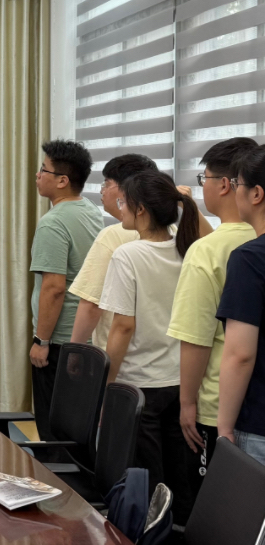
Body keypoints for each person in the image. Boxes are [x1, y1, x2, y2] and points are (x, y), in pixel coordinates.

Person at [98, 170, 201, 522]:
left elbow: (122, 326)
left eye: (123, 202)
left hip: (140, 384)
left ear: (141, 209)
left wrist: (105, 385)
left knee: (146, 487)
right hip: (181, 382)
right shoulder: (188, 249)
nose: (120, 208)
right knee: (179, 481)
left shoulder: (127, 255)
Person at [166, 138, 260, 502]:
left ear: (225, 185)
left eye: (203, 178)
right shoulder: (252, 238)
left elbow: (196, 338)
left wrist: (187, 403)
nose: (201, 185)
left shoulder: (210, 252)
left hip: (222, 406)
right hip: (254, 403)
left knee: (219, 510)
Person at [29, 139, 103, 441]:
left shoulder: (53, 223)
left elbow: (54, 288)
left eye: (43, 170)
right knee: (77, 431)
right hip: (85, 339)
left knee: (54, 432)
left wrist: (41, 341)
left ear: (62, 180)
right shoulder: (90, 210)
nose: (37, 175)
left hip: (59, 343)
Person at [69, 154, 160, 346]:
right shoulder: (172, 232)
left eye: (107, 184)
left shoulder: (113, 235)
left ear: (128, 189)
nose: (102, 190)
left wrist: (74, 352)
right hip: (161, 353)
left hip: (119, 353)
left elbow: (91, 305)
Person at [217, 149, 265, 466]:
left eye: (237, 184)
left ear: (256, 194)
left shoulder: (250, 258)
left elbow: (240, 354)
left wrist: (224, 428)